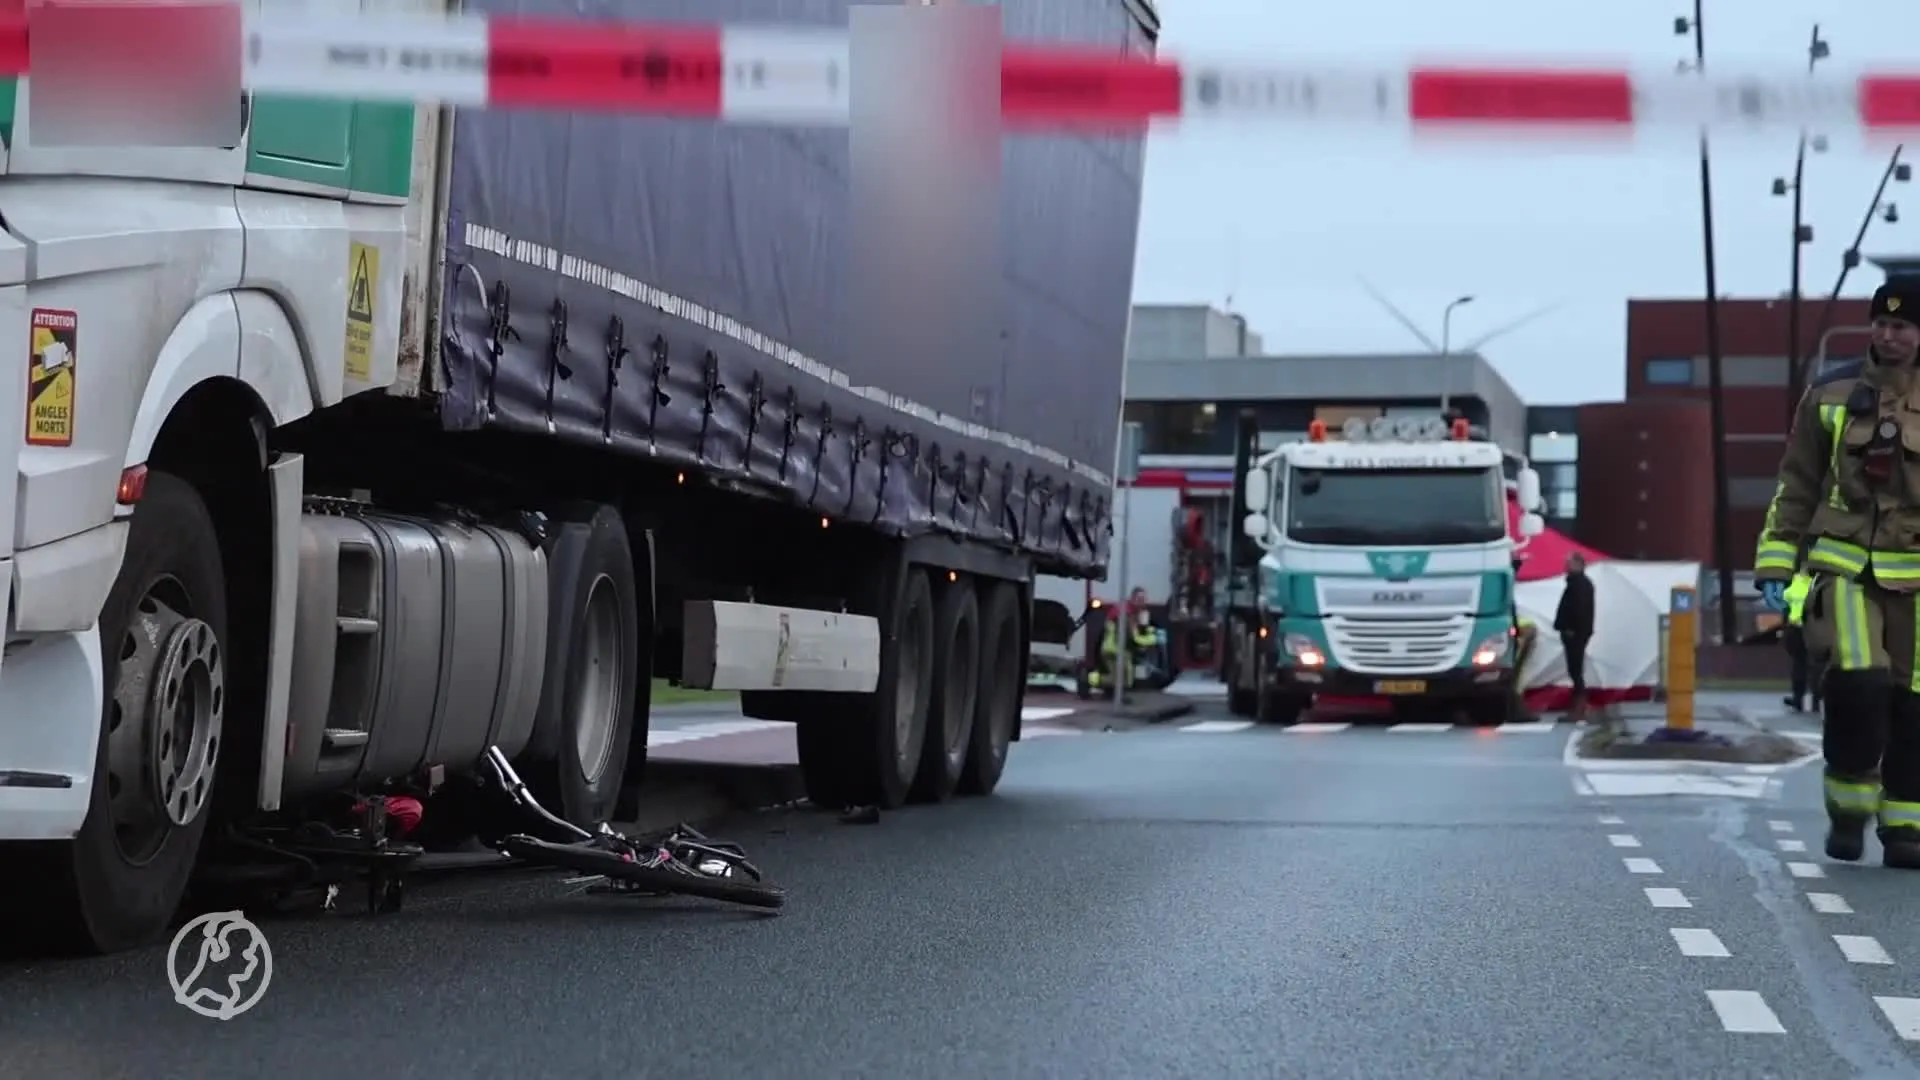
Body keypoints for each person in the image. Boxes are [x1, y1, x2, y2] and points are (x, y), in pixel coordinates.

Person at [1753, 279, 1920, 868]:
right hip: (1845, 566)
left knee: (1914, 704)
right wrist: (1777, 560)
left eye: (1901, 326)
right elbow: (1795, 485)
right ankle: (1848, 809)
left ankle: (1904, 826)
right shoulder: (1830, 394)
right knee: (1859, 679)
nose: (1888, 334)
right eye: (1880, 323)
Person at [1553, 553, 1596, 720]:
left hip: (1575, 632)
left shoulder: (1579, 585)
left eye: (1569, 563)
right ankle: (1579, 706)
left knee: (1575, 668)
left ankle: (1579, 707)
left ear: (1579, 564)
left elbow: (1578, 609)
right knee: (1574, 669)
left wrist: (1571, 627)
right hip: (1577, 631)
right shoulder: (1578, 584)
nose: (1566, 566)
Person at [1781, 570, 1822, 712]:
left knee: (1813, 665)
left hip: (1810, 627)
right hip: (1799, 628)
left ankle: (1814, 699)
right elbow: (1786, 606)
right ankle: (1801, 699)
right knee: (1802, 665)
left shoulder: (1815, 581)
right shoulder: (1800, 581)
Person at [1510, 613, 1541, 722]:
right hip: (1524, 628)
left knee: (1516, 674)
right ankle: (1517, 710)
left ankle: (1516, 710)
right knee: (1517, 674)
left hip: (1521, 629)